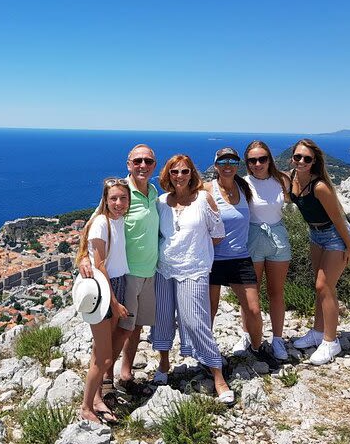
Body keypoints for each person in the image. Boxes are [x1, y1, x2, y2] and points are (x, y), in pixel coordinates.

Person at [151, 155, 234, 404]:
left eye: (184, 171)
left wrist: (196, 249)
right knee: (162, 318)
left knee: (195, 321)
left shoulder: (203, 199)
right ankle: (164, 364)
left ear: (192, 173)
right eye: (174, 171)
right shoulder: (161, 202)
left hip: (194, 269)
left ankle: (217, 375)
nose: (179, 176)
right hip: (164, 269)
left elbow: (217, 234)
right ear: (168, 174)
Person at [79, 144, 159, 394]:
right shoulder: (119, 193)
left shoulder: (154, 192)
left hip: (150, 271)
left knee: (135, 327)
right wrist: (83, 256)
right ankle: (105, 381)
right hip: (127, 273)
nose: (143, 166)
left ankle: (125, 373)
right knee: (123, 328)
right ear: (129, 164)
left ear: (154, 165)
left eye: (148, 161)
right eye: (137, 161)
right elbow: (92, 225)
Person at [289, 139, 350, 365]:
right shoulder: (291, 179)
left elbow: (338, 218)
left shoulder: (319, 187)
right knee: (319, 284)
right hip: (315, 234)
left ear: (314, 162)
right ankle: (318, 332)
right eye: (298, 157)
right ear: (292, 157)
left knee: (324, 285)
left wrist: (349, 246)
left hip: (335, 235)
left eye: (307, 158)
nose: (301, 161)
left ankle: (330, 341)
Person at [74, 177, 131, 424]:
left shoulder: (118, 221)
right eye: (113, 199)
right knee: (104, 358)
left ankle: (96, 400)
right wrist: (115, 302)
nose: (119, 203)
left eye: (123, 198)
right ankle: (86, 407)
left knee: (101, 352)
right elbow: (100, 266)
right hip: (105, 291)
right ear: (105, 201)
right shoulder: (101, 223)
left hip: (117, 284)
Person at [204, 148, 269, 361]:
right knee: (209, 312)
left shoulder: (244, 187)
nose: (228, 165)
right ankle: (207, 355)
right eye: (222, 162)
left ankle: (258, 349)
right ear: (216, 166)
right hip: (212, 259)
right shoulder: (206, 189)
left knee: (253, 308)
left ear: (238, 164)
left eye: (232, 161)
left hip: (240, 258)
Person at [237, 140, 292, 361]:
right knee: (251, 295)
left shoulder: (282, 181)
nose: (258, 163)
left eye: (262, 159)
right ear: (247, 163)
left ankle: (278, 339)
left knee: (276, 293)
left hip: (277, 238)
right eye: (252, 160)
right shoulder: (242, 184)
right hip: (252, 238)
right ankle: (246, 334)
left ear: (270, 159)